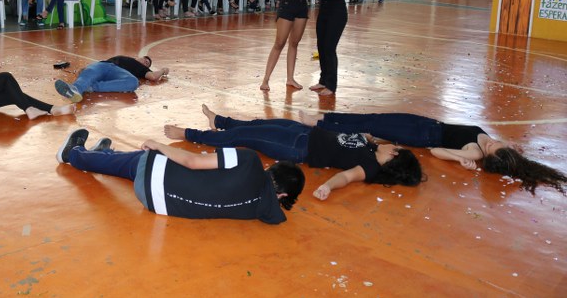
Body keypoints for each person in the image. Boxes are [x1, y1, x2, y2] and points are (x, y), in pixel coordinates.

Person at [164, 105, 423, 201]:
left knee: (246, 136)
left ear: (394, 156)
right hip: (303, 132)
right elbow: (355, 137)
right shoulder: (372, 146)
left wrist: (328, 187)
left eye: (395, 148)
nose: (392, 144)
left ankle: (189, 134)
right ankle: (219, 121)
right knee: (257, 124)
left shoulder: (369, 167)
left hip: (297, 147)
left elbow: (345, 177)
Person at [57, 128, 304, 224]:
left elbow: (193, 162)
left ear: (271, 168)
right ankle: (105, 153)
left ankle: (73, 154)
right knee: (131, 162)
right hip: (160, 205)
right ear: (282, 195)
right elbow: (279, 216)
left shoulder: (249, 160)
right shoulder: (263, 211)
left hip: (154, 179)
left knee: (146, 157)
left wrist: (158, 144)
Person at [305, 112, 567, 195]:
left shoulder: (475, 152)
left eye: (490, 148)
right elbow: (506, 148)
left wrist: (460, 157)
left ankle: (322, 123)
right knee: (374, 119)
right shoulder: (494, 145)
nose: (490, 142)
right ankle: (326, 120)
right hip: (427, 124)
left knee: (372, 124)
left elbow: (437, 151)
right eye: (495, 143)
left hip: (422, 135)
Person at [54, 55, 168, 103]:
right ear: (137, 57)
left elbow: (153, 77)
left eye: (147, 63)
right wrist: (84, 69)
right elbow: (92, 68)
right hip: (103, 65)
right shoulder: (125, 58)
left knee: (133, 82)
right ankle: (75, 90)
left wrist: (163, 70)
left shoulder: (141, 69)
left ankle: (90, 87)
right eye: (144, 59)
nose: (144, 62)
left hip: (119, 73)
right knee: (90, 71)